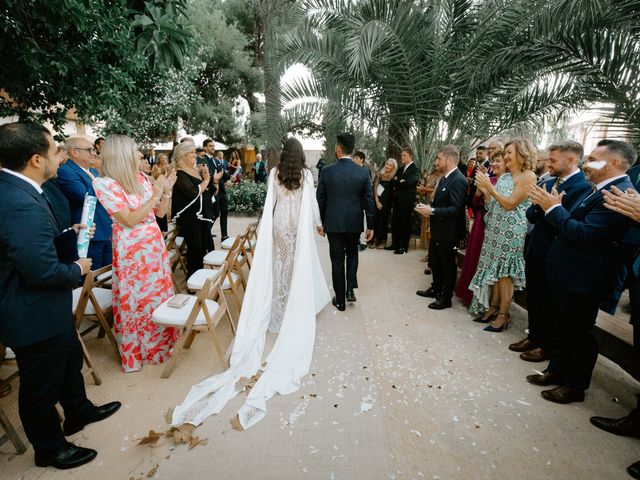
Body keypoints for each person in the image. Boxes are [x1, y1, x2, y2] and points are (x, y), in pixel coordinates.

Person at [172, 137, 330, 430]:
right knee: (295, 269)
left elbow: (270, 205)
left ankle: (278, 310)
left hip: (281, 223)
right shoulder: (306, 175)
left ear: (284, 154)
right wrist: (316, 224)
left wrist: (266, 227)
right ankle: (289, 308)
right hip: (297, 223)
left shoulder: (274, 173)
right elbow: (311, 204)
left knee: (280, 267)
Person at [0, 122, 120, 469]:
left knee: (68, 358)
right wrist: (79, 269)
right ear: (36, 159)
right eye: (56, 150)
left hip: (46, 309)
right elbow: (41, 271)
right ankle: (50, 448)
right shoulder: (18, 201)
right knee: (39, 386)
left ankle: (79, 410)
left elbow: (29, 245)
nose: (61, 156)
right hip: (31, 311)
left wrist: (71, 232)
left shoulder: (22, 188)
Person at [527, 140, 635, 404]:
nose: (587, 163)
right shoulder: (596, 189)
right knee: (564, 327)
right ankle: (557, 371)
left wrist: (552, 208)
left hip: (584, 277)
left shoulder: (620, 194)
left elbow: (583, 233)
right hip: (567, 272)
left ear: (614, 164)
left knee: (579, 333)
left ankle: (574, 385)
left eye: (594, 159)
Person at [93, 135, 179, 372]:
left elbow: (161, 213)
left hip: (153, 245)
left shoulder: (141, 178)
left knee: (157, 295)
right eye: (135, 151)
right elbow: (129, 219)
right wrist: (154, 195)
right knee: (137, 300)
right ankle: (139, 352)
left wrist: (166, 192)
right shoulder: (105, 184)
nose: (140, 155)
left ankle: (161, 345)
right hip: (132, 249)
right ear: (121, 155)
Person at [509, 141, 591, 361]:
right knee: (535, 297)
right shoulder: (550, 181)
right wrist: (538, 205)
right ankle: (534, 335)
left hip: (555, 252)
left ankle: (547, 345)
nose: (548, 164)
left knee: (549, 303)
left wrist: (550, 207)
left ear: (571, 160)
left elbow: (568, 221)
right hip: (537, 248)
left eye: (553, 160)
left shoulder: (582, 187)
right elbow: (532, 215)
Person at [469, 138, 536, 330]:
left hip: (511, 231)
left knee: (505, 273)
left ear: (521, 153)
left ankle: (504, 315)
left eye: (509, 153)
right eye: (505, 153)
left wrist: (489, 188)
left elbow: (510, 204)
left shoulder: (528, 176)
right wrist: (484, 190)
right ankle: (493, 308)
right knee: (496, 272)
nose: (505, 157)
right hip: (495, 228)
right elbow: (493, 205)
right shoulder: (505, 177)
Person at [317, 132, 375, 310]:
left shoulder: (327, 171)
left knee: (336, 259)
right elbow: (368, 200)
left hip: (333, 223)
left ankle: (340, 300)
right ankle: (350, 290)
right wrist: (371, 225)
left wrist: (323, 222)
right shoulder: (363, 172)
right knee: (352, 254)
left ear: (339, 149)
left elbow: (321, 198)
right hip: (354, 223)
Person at [415, 145, 468, 310]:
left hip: (449, 231)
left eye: (439, 158)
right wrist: (428, 210)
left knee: (447, 265)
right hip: (438, 228)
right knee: (436, 262)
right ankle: (436, 289)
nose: (436, 161)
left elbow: (456, 209)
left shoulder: (459, 180)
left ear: (450, 159)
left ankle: (446, 298)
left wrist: (432, 211)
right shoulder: (445, 178)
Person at [57, 136, 113, 269]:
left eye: (94, 149)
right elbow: (86, 197)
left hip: (106, 230)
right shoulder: (65, 171)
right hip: (89, 234)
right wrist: (104, 178)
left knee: (107, 275)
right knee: (91, 280)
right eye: (89, 150)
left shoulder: (93, 171)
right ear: (74, 152)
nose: (94, 153)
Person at [455, 152, 499, 306]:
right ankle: (469, 293)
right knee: (474, 255)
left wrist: (487, 189)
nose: (494, 164)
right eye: (493, 161)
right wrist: (480, 187)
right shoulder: (490, 179)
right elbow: (475, 199)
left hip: (493, 220)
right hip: (480, 218)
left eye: (498, 161)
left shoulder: (506, 182)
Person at [172, 142, 217, 277]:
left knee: (203, 246)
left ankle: (199, 276)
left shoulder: (196, 170)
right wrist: (206, 180)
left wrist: (207, 177)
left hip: (202, 214)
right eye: (191, 153)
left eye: (194, 152)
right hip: (189, 216)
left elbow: (210, 190)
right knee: (195, 248)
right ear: (182, 155)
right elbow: (193, 192)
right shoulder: (179, 173)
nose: (194, 155)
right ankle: (192, 278)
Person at [386, 147, 420, 254]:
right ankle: (395, 244)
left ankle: (403, 247)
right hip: (397, 200)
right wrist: (400, 182)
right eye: (402, 155)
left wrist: (400, 182)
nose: (402, 157)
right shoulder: (400, 169)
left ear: (411, 156)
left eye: (404, 155)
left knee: (404, 223)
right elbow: (392, 182)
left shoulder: (415, 169)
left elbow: (409, 183)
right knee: (395, 222)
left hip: (406, 201)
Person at [353, 150, 376, 250]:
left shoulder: (366, 171)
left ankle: (363, 242)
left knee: (364, 221)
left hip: (363, 200)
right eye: (354, 158)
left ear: (362, 159)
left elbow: (368, 187)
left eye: (357, 158)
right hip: (354, 201)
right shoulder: (352, 169)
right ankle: (357, 240)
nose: (355, 160)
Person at [372, 158, 397, 248]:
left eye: (390, 165)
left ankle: (382, 240)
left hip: (387, 202)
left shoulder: (393, 177)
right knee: (375, 220)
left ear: (393, 167)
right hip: (377, 200)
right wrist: (377, 201)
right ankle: (374, 239)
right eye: (387, 164)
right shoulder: (379, 175)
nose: (387, 166)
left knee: (384, 221)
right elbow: (375, 188)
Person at [212, 149, 230, 240]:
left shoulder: (220, 162)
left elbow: (225, 176)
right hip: (214, 191)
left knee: (224, 212)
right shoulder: (209, 162)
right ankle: (206, 232)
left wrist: (231, 177)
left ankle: (224, 235)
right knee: (214, 214)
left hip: (222, 191)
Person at [151, 154, 171, 232]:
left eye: (165, 159)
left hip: (165, 197)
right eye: (162, 159)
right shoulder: (156, 169)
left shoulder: (167, 170)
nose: (165, 160)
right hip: (157, 198)